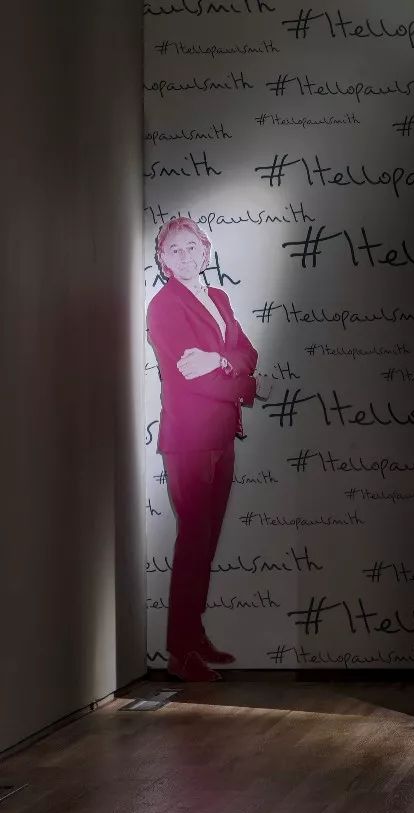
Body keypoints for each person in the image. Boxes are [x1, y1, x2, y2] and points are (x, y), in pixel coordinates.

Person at [147, 217, 265, 682]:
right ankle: (180, 652)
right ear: (162, 259)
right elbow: (187, 378)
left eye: (191, 247)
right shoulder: (163, 306)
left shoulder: (218, 297)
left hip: (221, 436)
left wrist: (220, 360)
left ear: (206, 250)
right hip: (189, 441)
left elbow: (248, 353)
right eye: (174, 250)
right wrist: (246, 386)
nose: (185, 256)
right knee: (194, 540)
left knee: (207, 541)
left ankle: (193, 635)